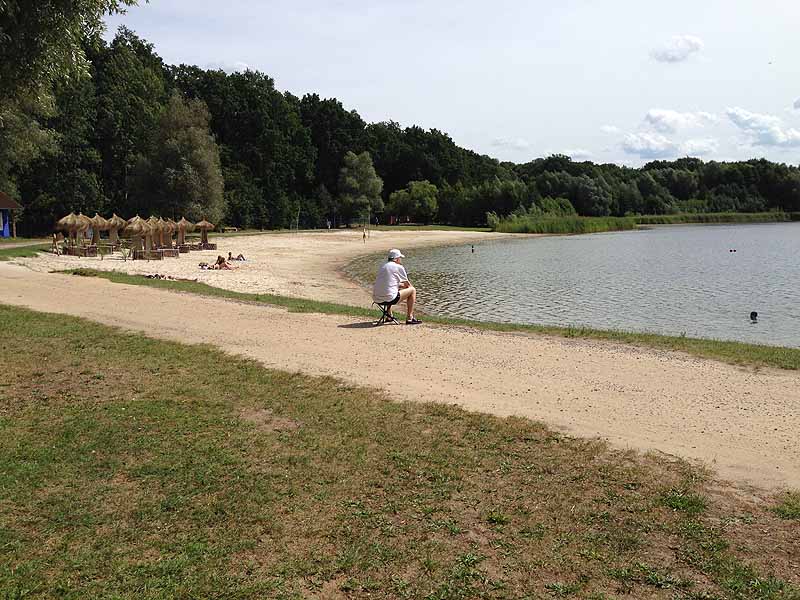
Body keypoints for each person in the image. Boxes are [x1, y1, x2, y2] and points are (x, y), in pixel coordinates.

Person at [372, 249, 421, 325]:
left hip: (376, 298)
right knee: (413, 290)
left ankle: (389, 316)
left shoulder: (383, 266)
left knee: (391, 289)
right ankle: (409, 318)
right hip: (389, 298)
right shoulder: (398, 267)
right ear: (397, 259)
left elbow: (389, 283)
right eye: (400, 258)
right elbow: (408, 286)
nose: (401, 260)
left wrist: (400, 285)